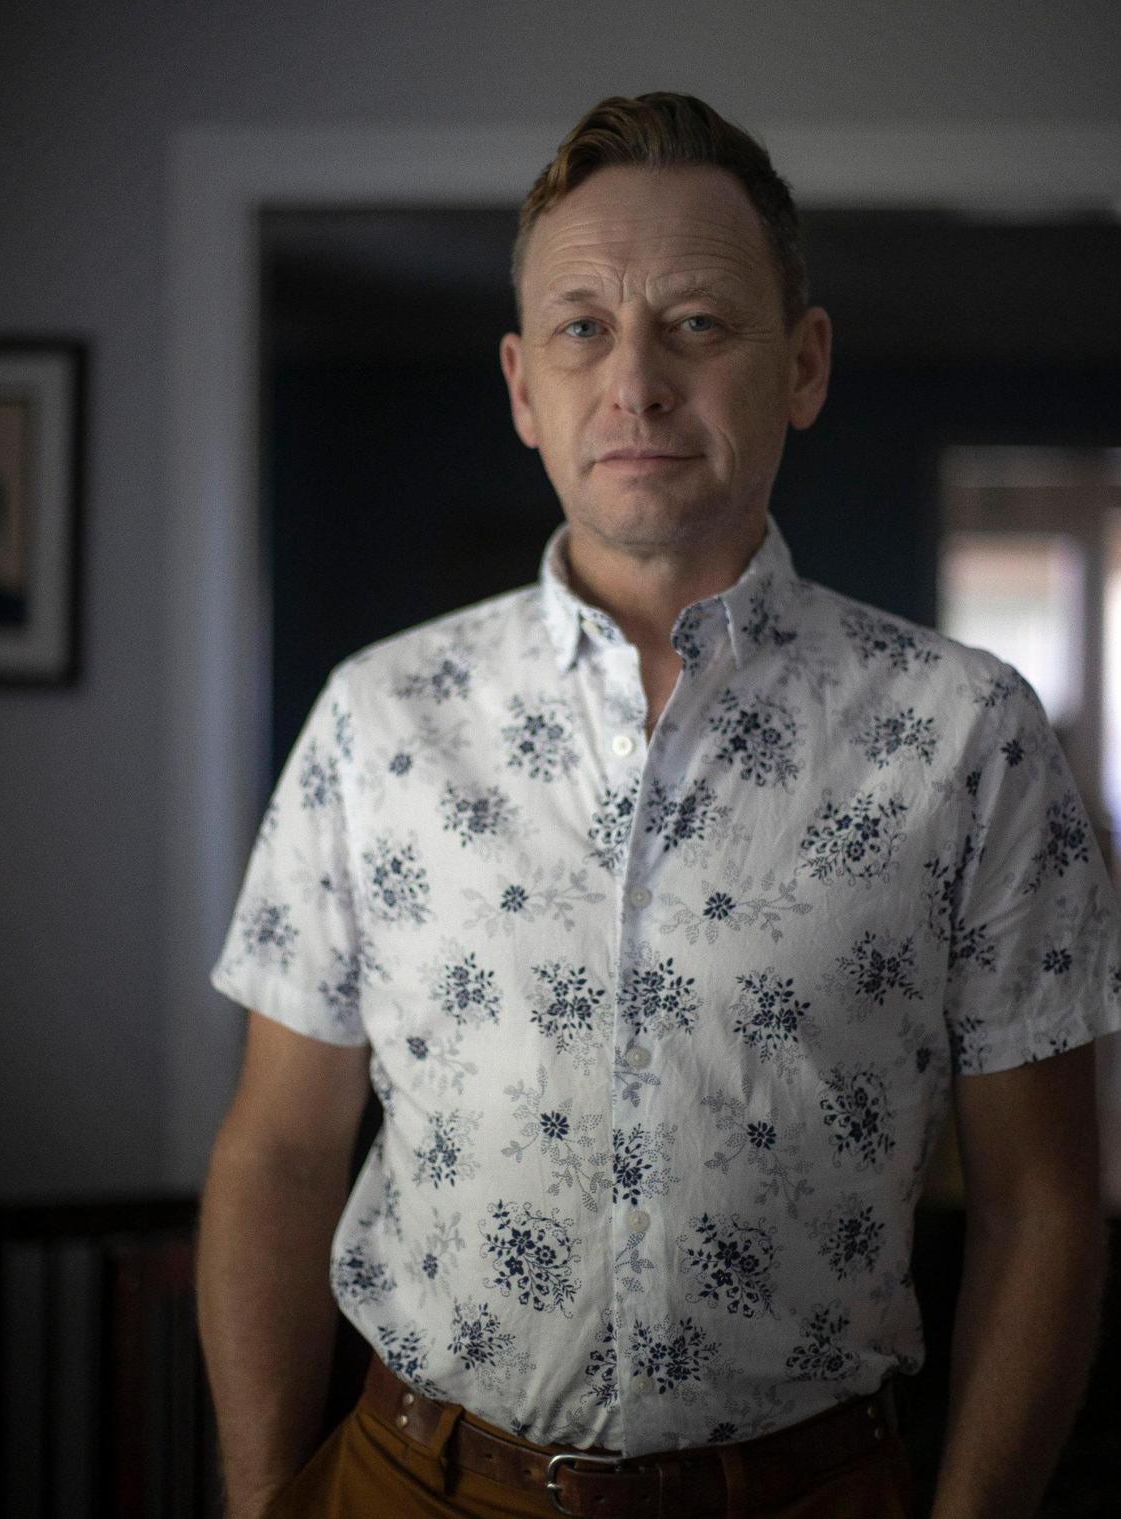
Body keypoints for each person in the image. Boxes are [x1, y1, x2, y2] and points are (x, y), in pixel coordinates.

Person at [197, 92, 1121, 1519]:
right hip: (409, 1487)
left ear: (802, 363)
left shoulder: (970, 734)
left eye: (697, 322)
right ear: (522, 385)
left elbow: (1043, 1205)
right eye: (582, 327)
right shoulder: (378, 719)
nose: (634, 382)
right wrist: (263, 1500)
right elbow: (279, 1150)